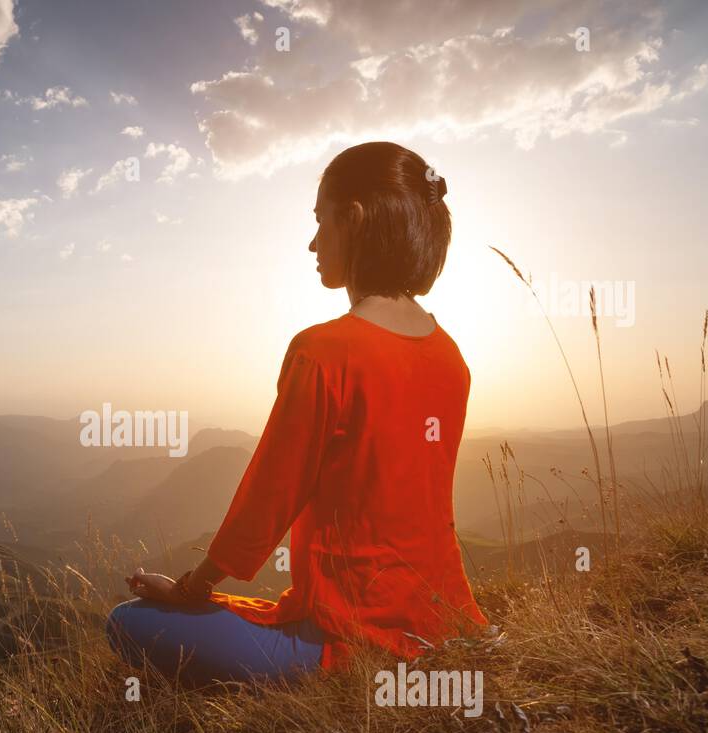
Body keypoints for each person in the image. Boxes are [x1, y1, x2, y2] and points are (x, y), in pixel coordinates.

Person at [106, 141, 489, 688]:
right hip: (440, 624)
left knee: (128, 622)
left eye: (320, 222)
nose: (313, 243)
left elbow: (269, 496)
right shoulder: (450, 356)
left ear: (352, 220)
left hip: (343, 638)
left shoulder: (324, 350)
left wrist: (193, 589)